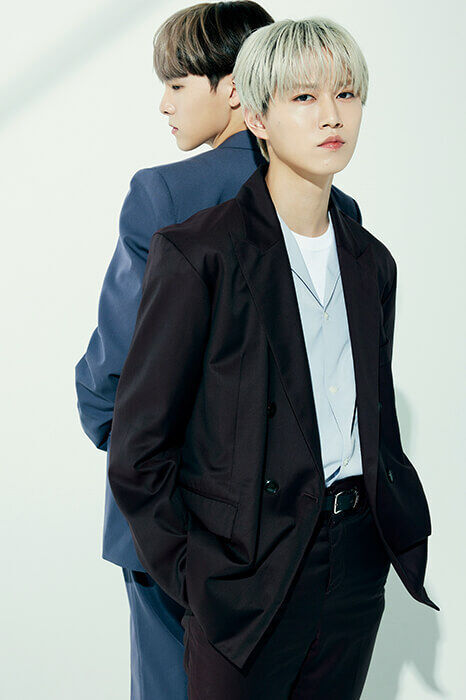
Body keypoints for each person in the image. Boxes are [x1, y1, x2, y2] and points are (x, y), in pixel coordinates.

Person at [107, 16, 440, 698]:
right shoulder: (198, 252)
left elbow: (370, 411)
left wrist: (379, 536)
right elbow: (139, 447)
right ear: (256, 117)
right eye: (304, 97)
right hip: (243, 571)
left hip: (353, 560)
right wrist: (197, 576)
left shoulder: (371, 260)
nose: (331, 116)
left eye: (346, 94)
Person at [74, 5, 365, 699]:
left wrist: (156, 482)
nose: (164, 103)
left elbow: (108, 380)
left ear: (235, 88)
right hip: (298, 531)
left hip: (176, 531)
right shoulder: (336, 207)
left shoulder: (165, 195)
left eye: (177, 84)